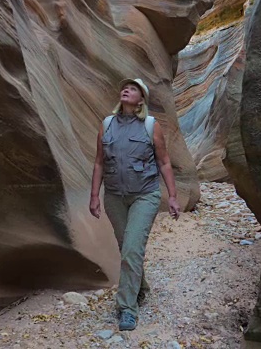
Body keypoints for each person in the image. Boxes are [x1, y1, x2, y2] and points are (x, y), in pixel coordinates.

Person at [89, 78, 181, 331]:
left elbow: (164, 162)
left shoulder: (151, 126)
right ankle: (141, 286)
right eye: (125, 87)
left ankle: (127, 308)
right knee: (126, 247)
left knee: (132, 248)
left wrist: (172, 196)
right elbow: (99, 162)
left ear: (141, 100)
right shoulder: (106, 125)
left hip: (145, 195)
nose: (126, 89)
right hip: (115, 196)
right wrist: (94, 195)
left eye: (133, 88)